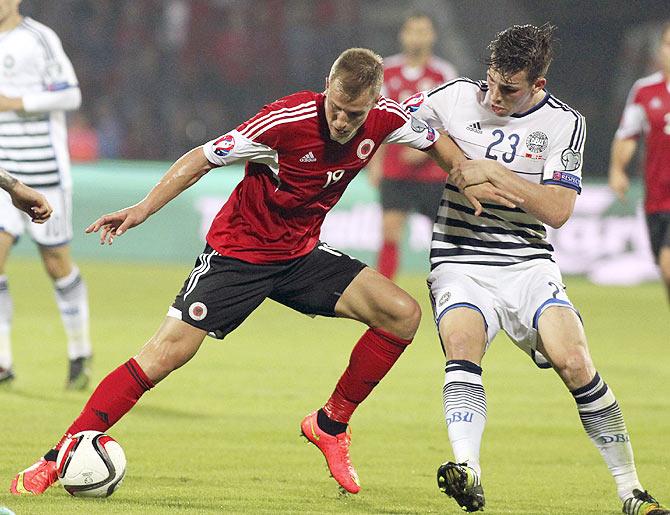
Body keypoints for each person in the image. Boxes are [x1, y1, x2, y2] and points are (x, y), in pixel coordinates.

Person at [9, 47, 519, 497]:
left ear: (373, 105)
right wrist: (142, 209)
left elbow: (433, 139)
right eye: (336, 108)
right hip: (239, 255)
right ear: (326, 88)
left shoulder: (386, 118)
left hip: (299, 256)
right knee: (164, 356)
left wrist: (464, 174)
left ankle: (330, 423)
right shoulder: (284, 121)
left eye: (353, 114)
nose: (342, 121)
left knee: (401, 315)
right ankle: (57, 456)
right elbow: (201, 158)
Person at [408, 24, 669, 514]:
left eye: (509, 89)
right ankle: (467, 469)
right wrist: (458, 164)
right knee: (462, 345)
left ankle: (631, 490)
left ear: (538, 86)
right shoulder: (458, 96)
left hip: (528, 263)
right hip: (459, 257)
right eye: (491, 81)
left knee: (574, 362)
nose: (494, 96)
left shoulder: (564, 124)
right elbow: (398, 122)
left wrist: (496, 174)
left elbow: (558, 210)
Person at [0, 0, 92, 389]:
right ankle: (2, 360)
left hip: (45, 172)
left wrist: (16, 103)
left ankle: (79, 351)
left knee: (56, 263)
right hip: (2, 172)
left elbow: (70, 95)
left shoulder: (39, 39)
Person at [368, 12, 458, 279]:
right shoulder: (387, 71)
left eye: (423, 31)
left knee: (445, 235)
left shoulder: (443, 72)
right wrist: (375, 164)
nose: (417, 36)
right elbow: (377, 119)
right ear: (403, 35)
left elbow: (452, 121)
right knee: (390, 232)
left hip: (433, 171)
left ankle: (455, 284)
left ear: (432, 36)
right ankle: (383, 296)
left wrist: (424, 148)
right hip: (396, 170)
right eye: (412, 30)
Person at [609, 21, 670, 306]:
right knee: (664, 268)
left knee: (669, 263)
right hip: (656, 197)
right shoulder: (645, 90)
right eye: (668, 44)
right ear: (659, 50)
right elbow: (628, 135)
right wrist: (617, 170)